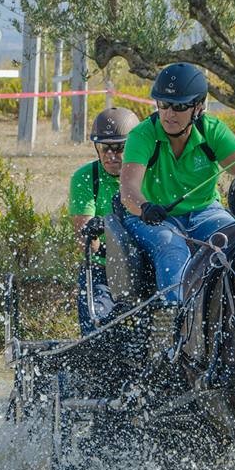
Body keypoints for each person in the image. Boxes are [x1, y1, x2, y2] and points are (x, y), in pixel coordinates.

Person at [119, 63, 235, 304]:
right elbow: (128, 190)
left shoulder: (213, 131)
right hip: (153, 217)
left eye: (179, 107)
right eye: (163, 105)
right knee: (171, 247)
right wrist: (145, 207)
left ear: (199, 107)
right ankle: (178, 319)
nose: (169, 113)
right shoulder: (142, 135)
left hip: (206, 213)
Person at [69, 107, 142, 335]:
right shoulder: (85, 177)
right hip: (103, 268)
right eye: (104, 148)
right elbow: (84, 238)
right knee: (97, 329)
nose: (111, 155)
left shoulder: (148, 174)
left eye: (119, 148)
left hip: (146, 266)